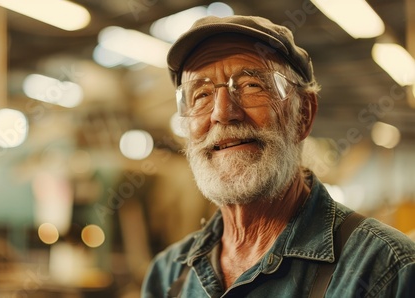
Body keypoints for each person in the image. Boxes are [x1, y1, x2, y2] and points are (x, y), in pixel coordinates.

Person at [141, 15, 415, 297]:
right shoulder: (167, 276)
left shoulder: (386, 270)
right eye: (201, 95)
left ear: (304, 114)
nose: (222, 112)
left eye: (251, 86)